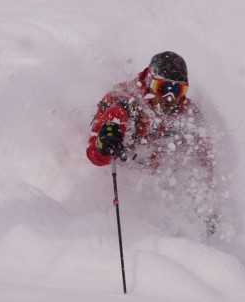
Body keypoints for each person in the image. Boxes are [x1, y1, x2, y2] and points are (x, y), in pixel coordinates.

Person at [86, 51, 219, 236]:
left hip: (160, 181)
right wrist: (104, 143)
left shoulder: (188, 114)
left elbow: (204, 161)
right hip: (125, 182)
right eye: (163, 88)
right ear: (150, 81)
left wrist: (206, 202)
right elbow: (95, 157)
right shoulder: (124, 104)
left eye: (178, 90)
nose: (170, 98)